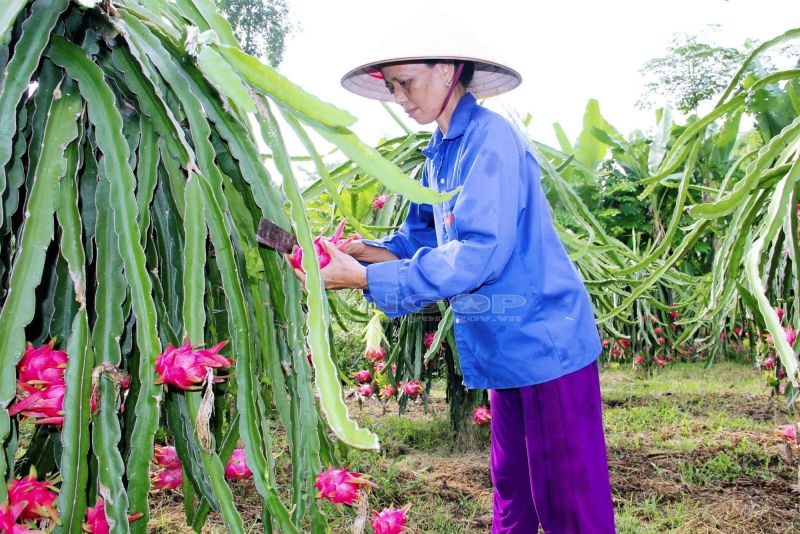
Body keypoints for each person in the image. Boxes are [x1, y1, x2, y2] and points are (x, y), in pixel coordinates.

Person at [291, 45, 616, 533]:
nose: (400, 97)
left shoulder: (491, 139)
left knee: (571, 503)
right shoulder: (439, 156)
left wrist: (365, 280)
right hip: (505, 351)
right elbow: (416, 240)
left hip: (547, 345)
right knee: (515, 496)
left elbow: (479, 253)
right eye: (392, 87)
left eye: (406, 82)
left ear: (447, 70)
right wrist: (361, 253)